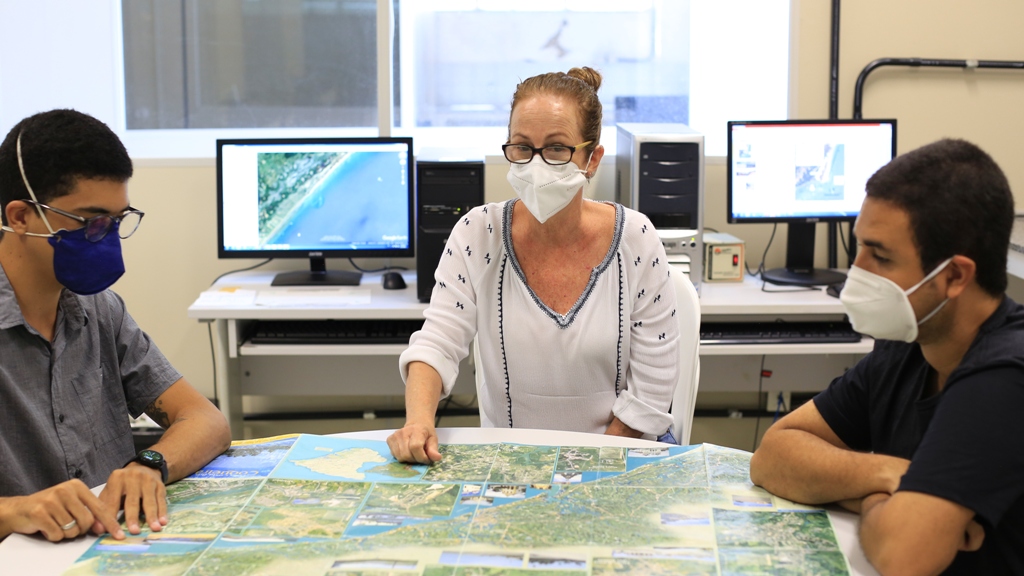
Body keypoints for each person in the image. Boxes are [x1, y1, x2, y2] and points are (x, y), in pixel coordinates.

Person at [749, 139, 1024, 574]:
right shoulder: (909, 344)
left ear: (954, 276)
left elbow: (904, 556)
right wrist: (890, 477)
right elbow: (774, 455)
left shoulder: (1005, 376)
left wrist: (859, 490)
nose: (857, 271)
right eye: (859, 247)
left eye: (880, 255)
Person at [388, 67, 681, 464]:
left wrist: (588, 469)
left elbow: (652, 389)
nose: (536, 163)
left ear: (591, 159)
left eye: (557, 148)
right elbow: (438, 342)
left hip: (619, 457)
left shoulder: (636, 239)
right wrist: (418, 421)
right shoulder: (478, 234)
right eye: (523, 147)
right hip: (513, 464)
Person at [0, 110, 231, 542]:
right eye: (90, 223)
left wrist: (150, 465)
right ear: (20, 217)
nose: (106, 239)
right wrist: (15, 511)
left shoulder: (99, 309)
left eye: (117, 221)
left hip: (112, 546)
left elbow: (206, 420)